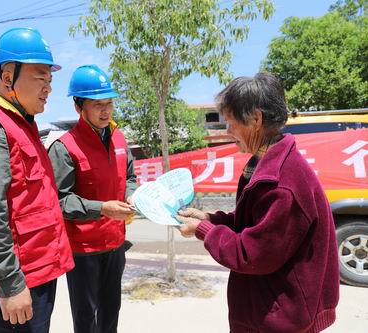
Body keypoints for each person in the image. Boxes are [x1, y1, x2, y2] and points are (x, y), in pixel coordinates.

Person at [177, 73, 339, 333]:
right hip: (266, 308)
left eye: (230, 123)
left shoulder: (282, 183)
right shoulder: (262, 164)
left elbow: (252, 253)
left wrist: (203, 230)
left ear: (255, 119)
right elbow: (252, 223)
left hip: (280, 318)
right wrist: (212, 219)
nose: (228, 132)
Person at [0, 27, 74, 333]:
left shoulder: (23, 127)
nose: (48, 87)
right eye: (40, 76)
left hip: (36, 276)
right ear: (8, 77)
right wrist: (9, 283)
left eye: (50, 79)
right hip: (14, 288)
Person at [48, 64, 137, 333]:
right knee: (87, 320)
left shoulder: (119, 139)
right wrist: (102, 209)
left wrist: (132, 195)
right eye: (98, 105)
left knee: (111, 313)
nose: (106, 110)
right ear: (79, 107)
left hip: (115, 243)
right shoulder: (65, 147)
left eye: (109, 103)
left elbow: (130, 177)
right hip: (83, 250)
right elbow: (60, 200)